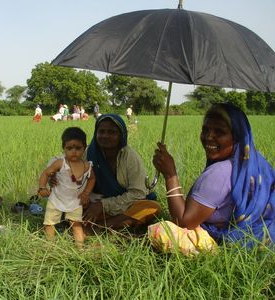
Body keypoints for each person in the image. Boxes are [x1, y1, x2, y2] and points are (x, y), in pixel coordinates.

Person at [148, 103, 275, 255]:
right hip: (263, 232)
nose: (209, 137)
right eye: (206, 130)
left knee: (162, 230)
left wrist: (170, 175)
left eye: (219, 132)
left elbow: (184, 221)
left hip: (230, 240)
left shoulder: (220, 172)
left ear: (237, 136)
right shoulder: (255, 161)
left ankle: (215, 251)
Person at [81, 114, 161, 230]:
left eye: (112, 132)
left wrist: (103, 205)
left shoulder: (130, 157)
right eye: (101, 131)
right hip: (95, 202)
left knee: (152, 207)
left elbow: (138, 194)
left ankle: (100, 227)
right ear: (95, 133)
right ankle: (115, 226)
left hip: (125, 205)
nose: (105, 136)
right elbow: (77, 178)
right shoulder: (89, 153)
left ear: (121, 135)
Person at [38, 127, 96, 248]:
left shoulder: (87, 166)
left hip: (75, 201)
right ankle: (50, 246)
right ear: (63, 148)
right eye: (69, 148)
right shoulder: (60, 163)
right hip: (56, 199)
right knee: (49, 223)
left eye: (78, 148)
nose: (74, 151)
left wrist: (86, 193)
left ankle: (80, 248)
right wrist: (42, 187)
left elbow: (92, 179)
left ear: (84, 148)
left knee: (76, 224)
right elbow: (46, 173)